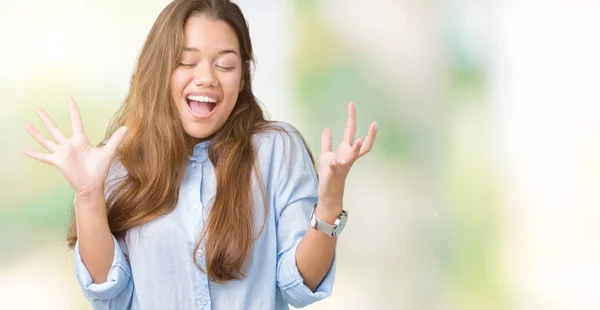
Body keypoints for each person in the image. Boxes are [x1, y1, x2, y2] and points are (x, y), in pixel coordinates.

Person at [22, 0, 377, 309]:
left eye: (224, 65)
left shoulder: (276, 150)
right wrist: (88, 196)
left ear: (242, 78)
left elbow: (300, 285)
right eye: (187, 62)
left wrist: (329, 202)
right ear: (161, 71)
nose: (206, 77)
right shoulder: (117, 162)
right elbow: (110, 293)